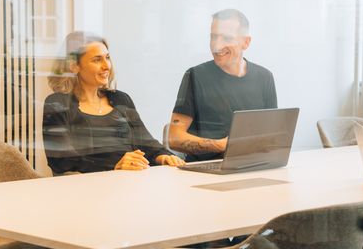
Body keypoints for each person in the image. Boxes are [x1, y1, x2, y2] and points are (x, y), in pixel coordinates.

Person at [43, 32, 184, 174]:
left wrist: (165, 156)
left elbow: (147, 143)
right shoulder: (57, 103)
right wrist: (115, 165)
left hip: (133, 182)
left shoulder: (121, 99)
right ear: (74, 66)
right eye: (97, 60)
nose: (106, 66)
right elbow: (61, 160)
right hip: (88, 188)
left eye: (107, 58)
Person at [168, 9, 277, 161]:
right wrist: (222, 145)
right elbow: (174, 138)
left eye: (226, 38)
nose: (216, 46)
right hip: (205, 170)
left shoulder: (264, 77)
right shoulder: (195, 76)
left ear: (246, 42)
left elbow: (272, 135)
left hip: (253, 165)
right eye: (213, 37)